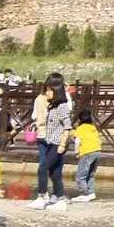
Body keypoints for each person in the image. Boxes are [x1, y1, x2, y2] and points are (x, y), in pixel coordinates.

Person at [29, 80, 71, 211]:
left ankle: (42, 197)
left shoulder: (62, 106)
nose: (46, 93)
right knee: (55, 172)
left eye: (49, 90)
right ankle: (60, 198)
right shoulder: (52, 106)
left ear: (56, 92)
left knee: (43, 168)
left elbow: (67, 126)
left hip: (58, 143)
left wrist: (63, 144)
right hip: (50, 141)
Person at [72, 109, 102, 203]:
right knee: (91, 175)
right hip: (97, 151)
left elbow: (77, 141)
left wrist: (77, 152)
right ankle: (91, 193)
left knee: (80, 176)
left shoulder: (80, 128)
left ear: (80, 120)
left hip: (87, 152)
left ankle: (85, 194)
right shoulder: (93, 128)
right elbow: (99, 140)